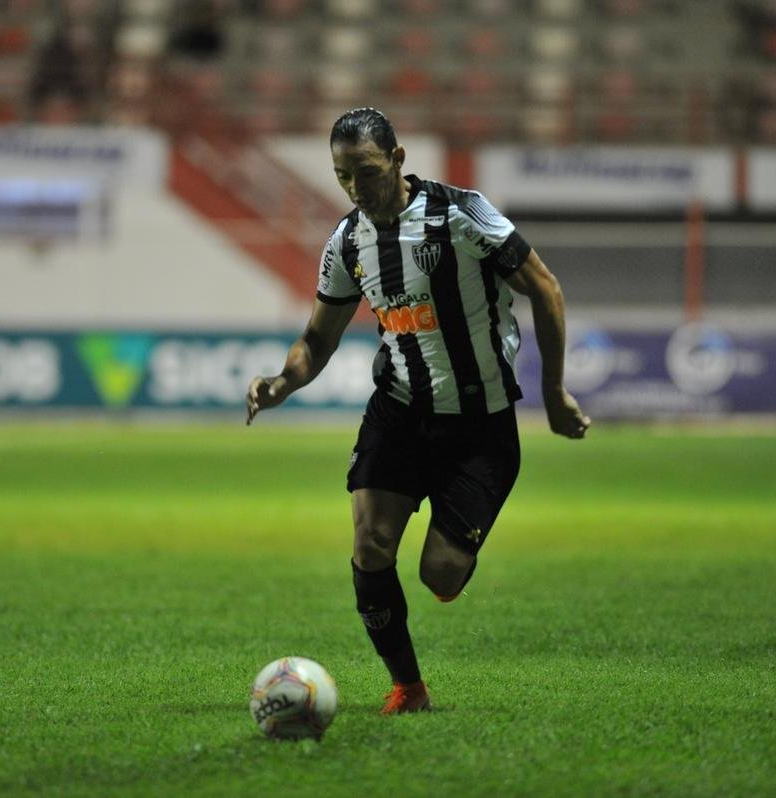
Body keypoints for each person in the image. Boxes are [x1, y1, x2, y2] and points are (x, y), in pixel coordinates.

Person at [245, 108, 590, 715]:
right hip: (400, 409)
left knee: (441, 575)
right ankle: (409, 688)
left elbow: (546, 287)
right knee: (372, 542)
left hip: (481, 424)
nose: (356, 188)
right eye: (342, 176)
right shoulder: (348, 242)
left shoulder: (461, 214)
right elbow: (317, 339)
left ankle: (455, 548)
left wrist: (556, 394)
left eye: (367, 172)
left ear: (399, 160)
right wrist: (283, 383)